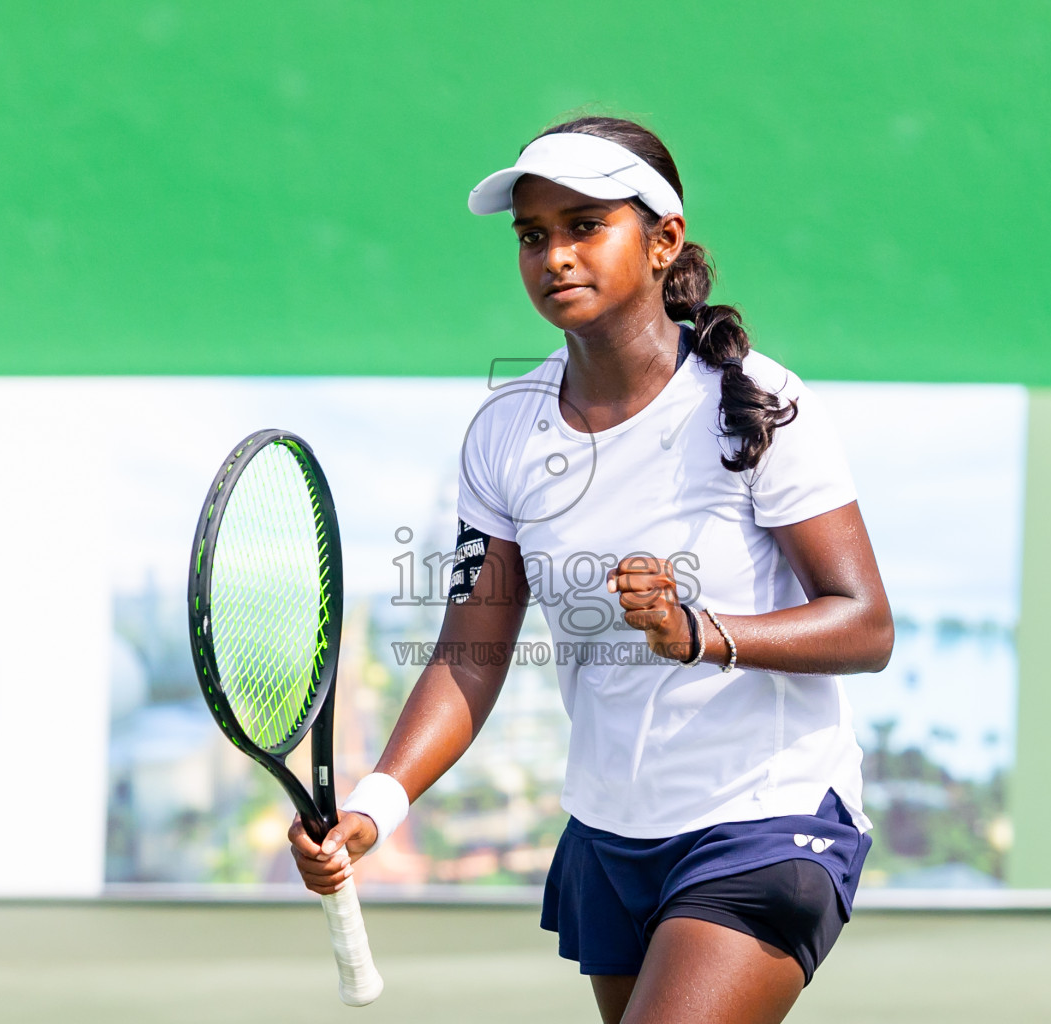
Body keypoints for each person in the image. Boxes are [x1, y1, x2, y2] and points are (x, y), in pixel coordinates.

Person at [290, 116, 894, 1024]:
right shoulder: (503, 431)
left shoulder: (763, 405)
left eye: (584, 226)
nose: (554, 256)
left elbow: (864, 623)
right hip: (611, 838)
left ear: (663, 242)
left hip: (765, 821)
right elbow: (470, 655)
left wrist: (703, 633)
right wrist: (376, 805)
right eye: (533, 236)